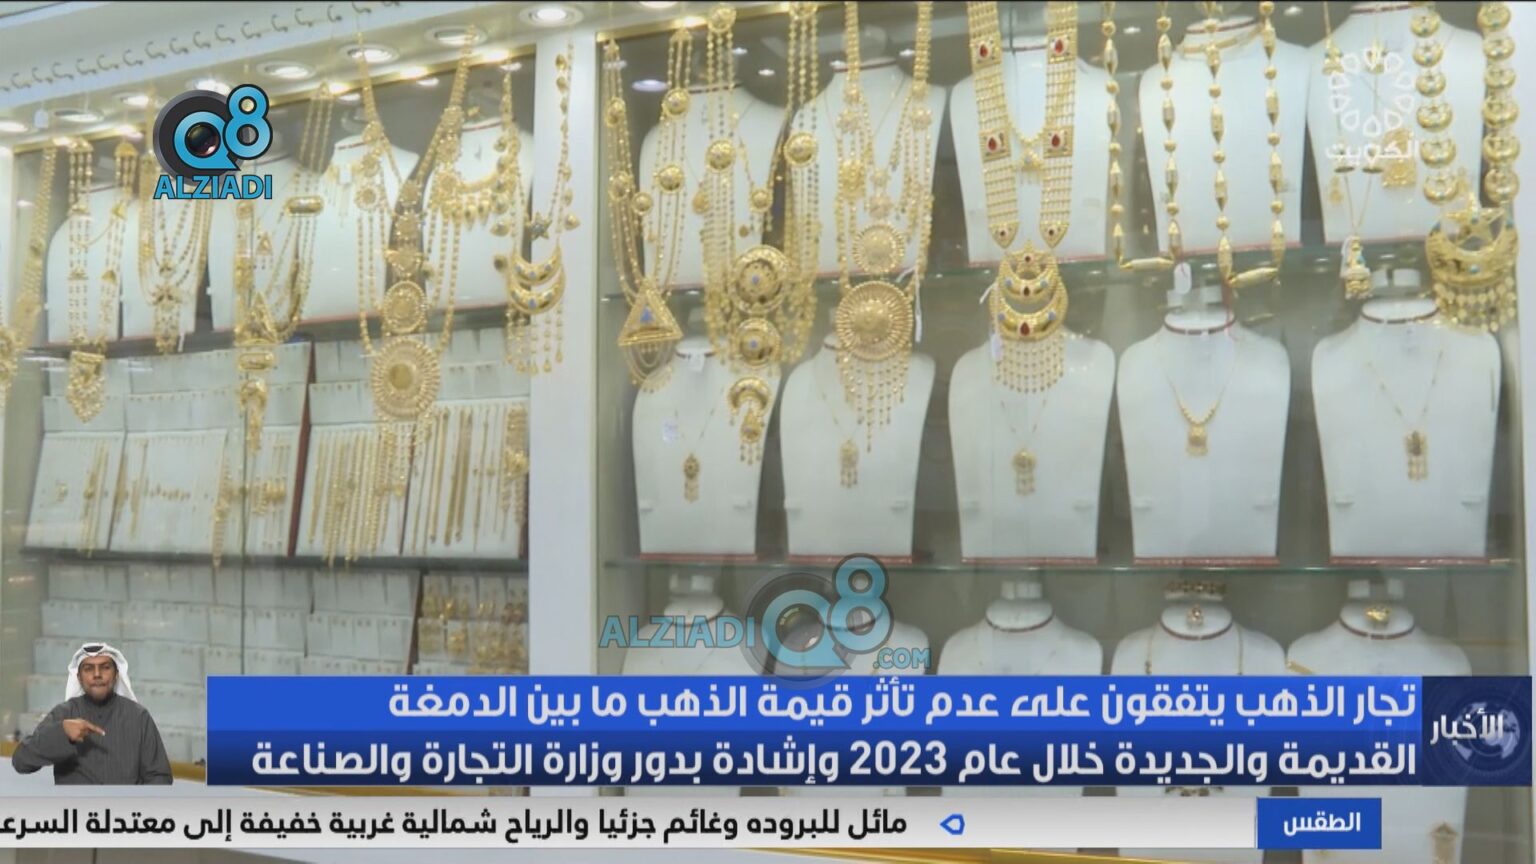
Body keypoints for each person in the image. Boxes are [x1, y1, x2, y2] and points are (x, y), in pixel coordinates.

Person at [11, 642, 172, 785]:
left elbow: (159, 777)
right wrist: (62, 733)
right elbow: (21, 762)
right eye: (88, 669)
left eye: (105, 667)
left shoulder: (138, 717)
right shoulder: (64, 713)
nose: (97, 674)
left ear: (116, 674)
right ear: (79, 677)